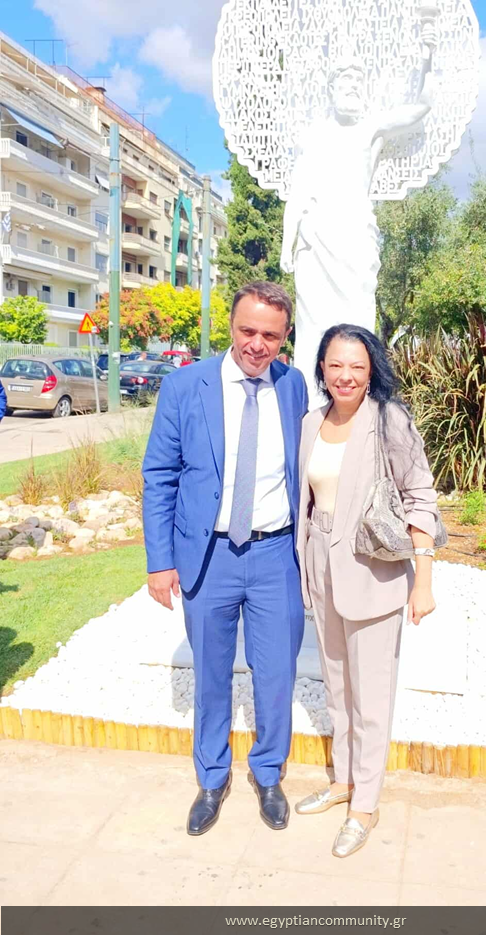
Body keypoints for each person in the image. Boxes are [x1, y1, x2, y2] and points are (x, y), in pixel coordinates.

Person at [142, 282, 308, 835]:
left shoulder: (293, 386)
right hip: (207, 555)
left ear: (285, 337)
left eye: (271, 336)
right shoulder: (185, 385)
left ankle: (268, 773)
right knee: (211, 673)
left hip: (275, 555)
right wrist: (160, 561)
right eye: (247, 331)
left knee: (276, 673)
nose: (257, 344)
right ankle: (211, 778)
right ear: (230, 327)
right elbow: (159, 476)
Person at [295, 324, 444, 858]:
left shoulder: (389, 421)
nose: (346, 376)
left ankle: (366, 805)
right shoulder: (311, 422)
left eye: (357, 366)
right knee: (337, 687)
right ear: (322, 367)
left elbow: (420, 496)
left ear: (372, 369)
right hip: (321, 567)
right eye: (336, 364)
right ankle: (344, 781)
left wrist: (423, 580)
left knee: (372, 696)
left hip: (373, 570)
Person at [280, 30, 435, 401]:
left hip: (356, 237)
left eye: (357, 80)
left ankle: (358, 404)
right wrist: (287, 244)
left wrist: (427, 57)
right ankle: (311, 404)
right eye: (345, 79)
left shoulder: (371, 128)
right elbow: (298, 193)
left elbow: (420, 107)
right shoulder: (314, 137)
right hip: (316, 238)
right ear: (331, 88)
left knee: (358, 318)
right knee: (313, 322)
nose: (352, 86)